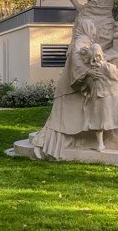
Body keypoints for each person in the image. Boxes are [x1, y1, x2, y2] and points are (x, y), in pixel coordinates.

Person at [31, 18, 97, 159]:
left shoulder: (84, 42)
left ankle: (65, 143)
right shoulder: (80, 43)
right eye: (92, 27)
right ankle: (39, 145)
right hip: (68, 90)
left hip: (74, 89)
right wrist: (88, 72)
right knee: (57, 121)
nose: (94, 30)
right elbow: (77, 63)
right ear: (87, 28)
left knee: (66, 121)